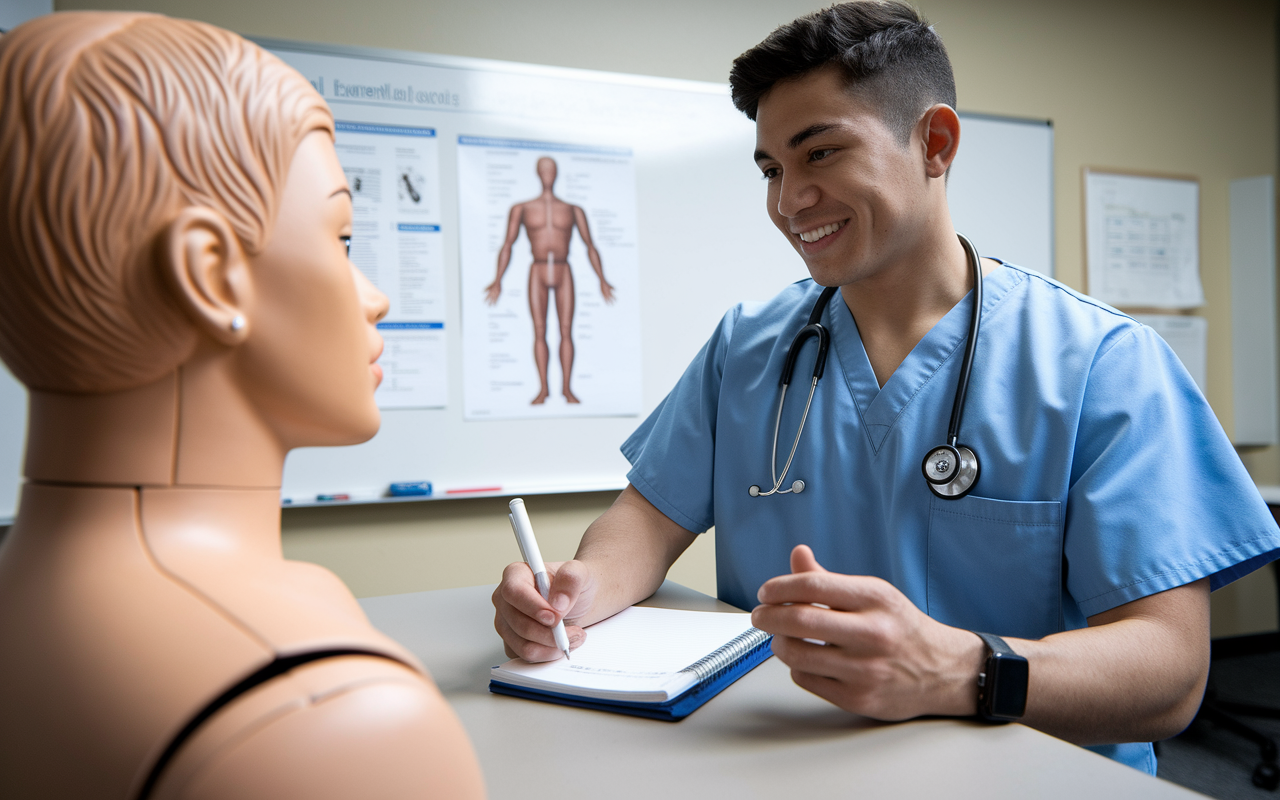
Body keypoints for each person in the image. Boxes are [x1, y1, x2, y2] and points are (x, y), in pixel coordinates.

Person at [492, 0, 1280, 774]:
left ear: (934, 142)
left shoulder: (1104, 364)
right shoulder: (748, 347)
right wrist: (581, 591)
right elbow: (647, 516)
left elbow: (1169, 673)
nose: (788, 200)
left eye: (821, 153)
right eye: (772, 168)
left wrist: (958, 670)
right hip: (781, 768)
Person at [0, 13, 484, 798]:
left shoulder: (28, 602)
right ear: (209, 276)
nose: (378, 298)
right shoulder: (330, 723)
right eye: (342, 238)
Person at [484, 156, 616, 404]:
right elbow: (507, 245)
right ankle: (544, 389)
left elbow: (590, 246)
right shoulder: (521, 208)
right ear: (537, 172)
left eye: (552, 169)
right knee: (540, 330)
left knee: (566, 330)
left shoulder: (572, 209)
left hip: (564, 271)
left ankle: (567, 389)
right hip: (538, 270)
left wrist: (602, 279)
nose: (548, 173)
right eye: (544, 169)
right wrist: (498, 279)